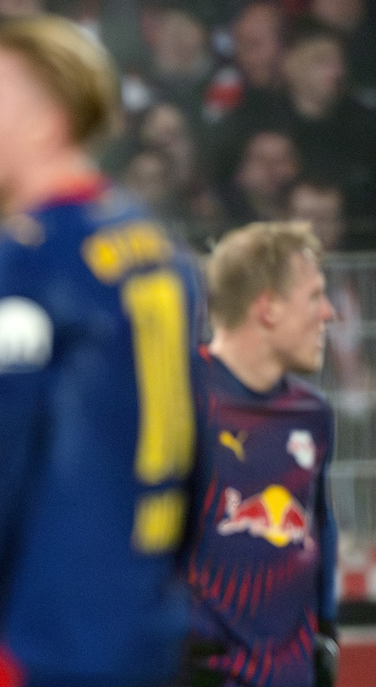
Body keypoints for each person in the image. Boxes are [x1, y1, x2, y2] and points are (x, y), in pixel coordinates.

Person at [0, 16, 199, 687]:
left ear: (44, 121)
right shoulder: (155, 246)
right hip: (149, 619)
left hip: (51, 630)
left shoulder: (25, 261)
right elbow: (195, 441)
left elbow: (1, 459)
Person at [180, 221, 339, 687]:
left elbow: (319, 526)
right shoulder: (176, 399)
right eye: (314, 296)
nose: (328, 313)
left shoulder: (312, 413)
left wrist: (326, 630)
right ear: (267, 307)